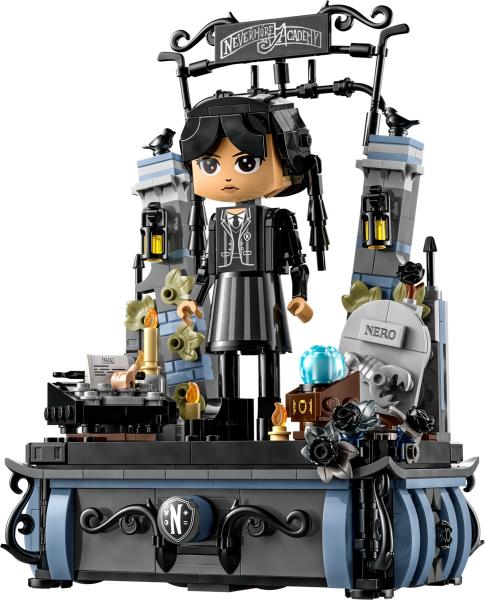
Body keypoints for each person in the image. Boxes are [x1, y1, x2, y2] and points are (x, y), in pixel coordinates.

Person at [176, 92, 327, 438]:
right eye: (210, 165)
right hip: (227, 298)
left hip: (263, 294)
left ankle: (270, 416)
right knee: (225, 357)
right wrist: (194, 299)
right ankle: (228, 415)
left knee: (266, 356)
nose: (227, 177)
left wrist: (300, 295)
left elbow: (297, 262)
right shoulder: (215, 222)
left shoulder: (277, 219)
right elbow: (207, 267)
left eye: (245, 163)